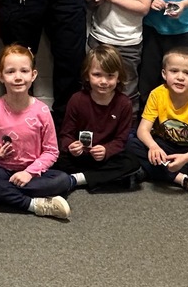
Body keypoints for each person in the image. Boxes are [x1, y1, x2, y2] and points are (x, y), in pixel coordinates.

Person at [0, 44, 72, 219]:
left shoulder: (42, 111)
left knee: (63, 180)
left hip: (33, 173)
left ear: (33, 75)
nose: (18, 77)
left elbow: (52, 151)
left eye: (24, 71)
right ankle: (33, 205)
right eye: (10, 72)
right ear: (0, 76)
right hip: (1, 170)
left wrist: (28, 173)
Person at [126, 47, 188, 201]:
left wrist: (185, 158)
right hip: (163, 145)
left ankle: (153, 171)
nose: (180, 77)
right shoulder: (157, 94)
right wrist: (153, 147)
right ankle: (184, 180)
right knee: (130, 143)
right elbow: (143, 129)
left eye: (187, 73)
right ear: (164, 74)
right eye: (174, 71)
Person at [56, 45, 141, 192]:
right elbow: (65, 135)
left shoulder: (124, 103)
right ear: (87, 75)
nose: (103, 81)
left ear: (118, 77)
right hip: (80, 156)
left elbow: (121, 140)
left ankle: (78, 179)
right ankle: (100, 180)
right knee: (55, 158)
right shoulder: (77, 100)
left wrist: (106, 150)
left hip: (105, 159)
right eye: (97, 75)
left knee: (132, 162)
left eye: (110, 76)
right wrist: (71, 146)